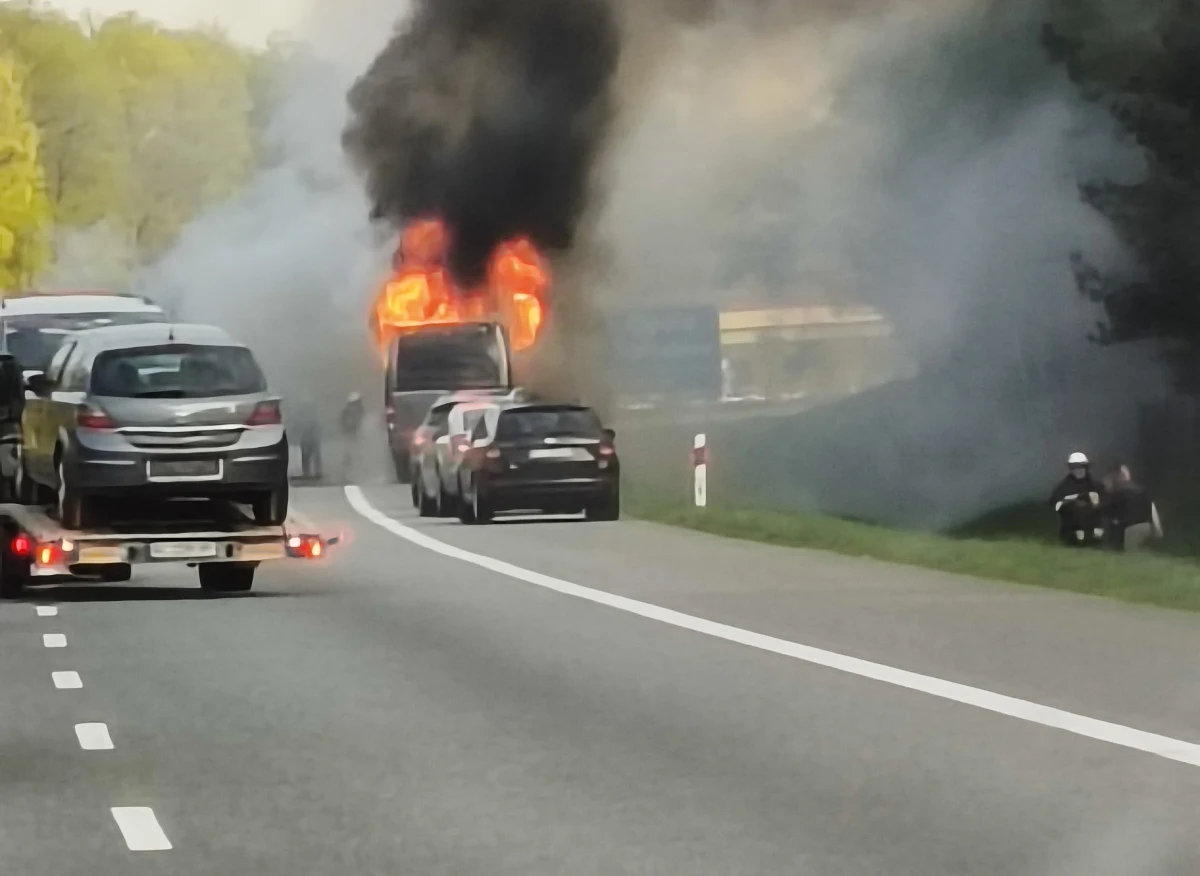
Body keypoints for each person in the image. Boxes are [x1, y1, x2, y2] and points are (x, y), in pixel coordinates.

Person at [1050, 451, 1105, 546]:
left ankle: (1098, 539)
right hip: (1072, 525)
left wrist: (1096, 502)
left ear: (1086, 468)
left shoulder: (1096, 485)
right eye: (1074, 467)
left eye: (1081, 466)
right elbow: (1056, 503)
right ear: (1070, 469)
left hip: (1094, 523)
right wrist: (1078, 497)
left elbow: (1105, 501)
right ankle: (1078, 539)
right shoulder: (1064, 486)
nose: (1078, 470)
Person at [1106, 464, 1163, 551]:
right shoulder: (1141, 490)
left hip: (1132, 529)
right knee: (1144, 551)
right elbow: (1152, 508)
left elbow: (1111, 515)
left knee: (1131, 555)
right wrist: (1157, 528)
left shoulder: (1118, 493)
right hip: (1148, 526)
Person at [291, 394, 323, 481]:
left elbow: (296, 425)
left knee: (308, 455)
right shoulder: (312, 412)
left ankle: (310, 472)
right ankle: (315, 472)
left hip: (309, 437)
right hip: (309, 437)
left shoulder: (302, 413)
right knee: (310, 455)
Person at [339, 391, 365, 484]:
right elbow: (345, 423)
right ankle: (345, 476)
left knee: (355, 456)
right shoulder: (348, 411)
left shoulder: (359, 410)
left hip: (355, 435)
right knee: (349, 456)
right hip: (350, 436)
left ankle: (352, 475)